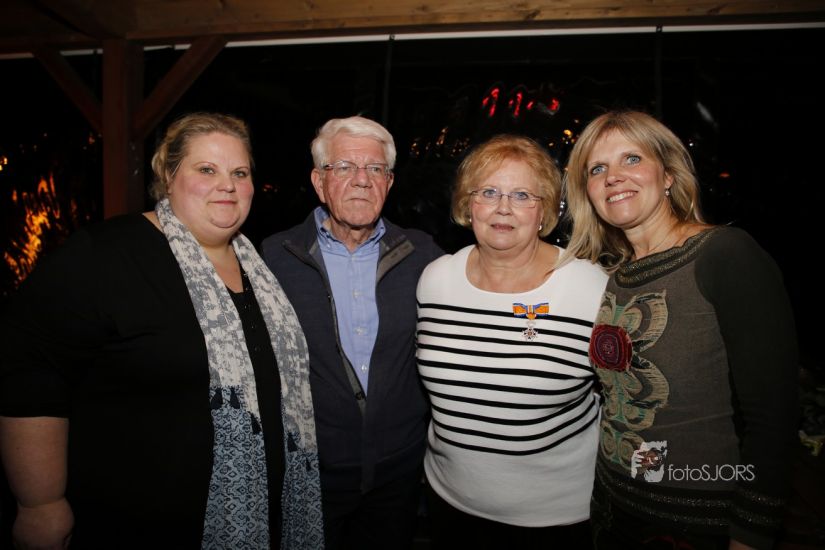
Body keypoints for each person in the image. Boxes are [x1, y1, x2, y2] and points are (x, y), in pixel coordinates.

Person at [0, 112, 324, 549]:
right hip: (136, 525)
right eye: (206, 169)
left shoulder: (260, 266)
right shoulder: (105, 254)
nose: (227, 185)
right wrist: (40, 502)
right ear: (168, 177)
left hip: (263, 522)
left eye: (239, 173)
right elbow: (31, 375)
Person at [562, 109, 799, 550]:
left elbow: (773, 420)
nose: (613, 177)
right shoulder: (616, 276)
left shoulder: (725, 255)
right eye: (597, 169)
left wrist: (751, 534)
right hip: (613, 509)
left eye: (632, 159)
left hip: (696, 524)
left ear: (668, 174)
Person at [415, 134, 608, 549]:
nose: (503, 207)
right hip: (449, 504)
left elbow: (627, 400)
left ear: (544, 210)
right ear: (468, 205)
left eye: (522, 195)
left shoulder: (588, 287)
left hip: (556, 520)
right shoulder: (436, 279)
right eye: (488, 192)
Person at [260, 116, 442, 550]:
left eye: (375, 168)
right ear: (319, 181)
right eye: (343, 167)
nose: (362, 180)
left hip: (398, 475)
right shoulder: (273, 258)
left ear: (389, 182)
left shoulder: (425, 256)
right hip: (310, 473)